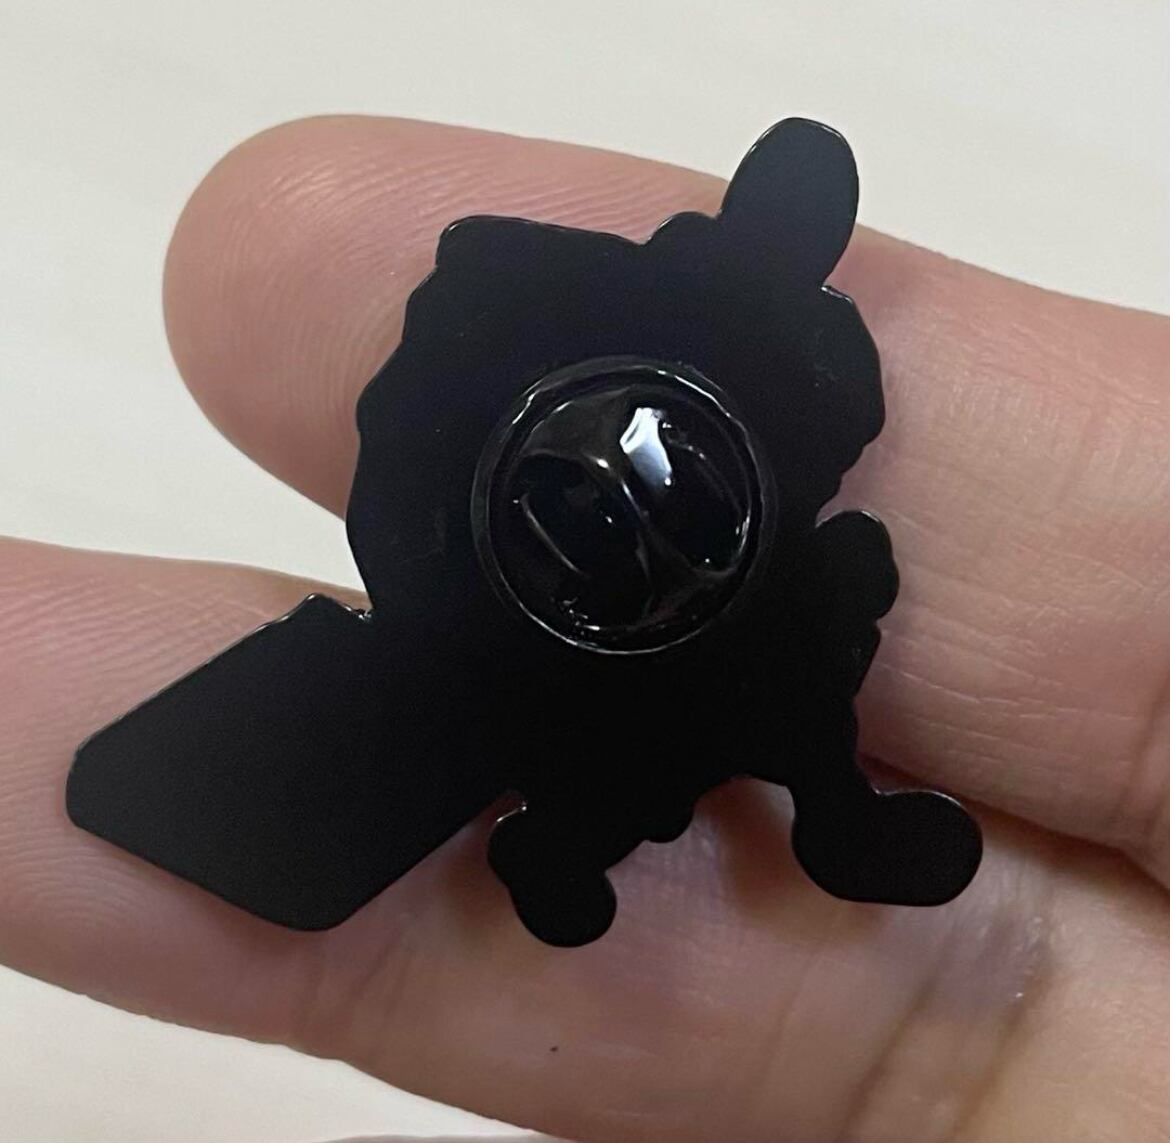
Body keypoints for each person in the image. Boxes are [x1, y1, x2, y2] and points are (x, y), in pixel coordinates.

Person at [2, 116, 1168, 1143]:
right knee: (618, 710)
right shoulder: (577, 285)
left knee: (790, 633)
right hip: (481, 561)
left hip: (653, 607)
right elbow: (458, 313)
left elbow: (810, 484)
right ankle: (602, 831)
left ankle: (814, 813)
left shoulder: (824, 362)